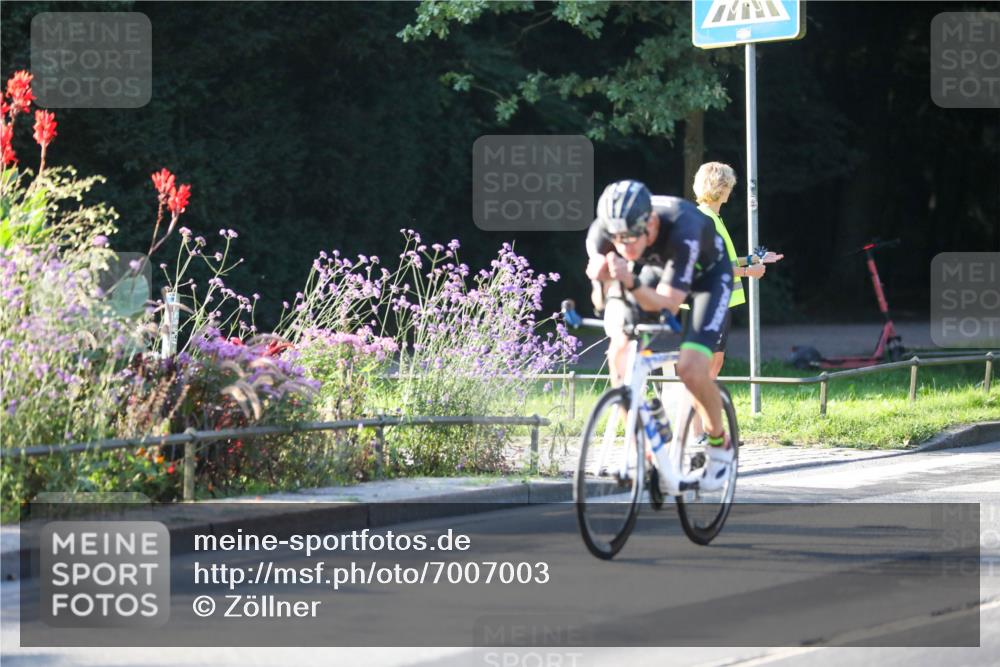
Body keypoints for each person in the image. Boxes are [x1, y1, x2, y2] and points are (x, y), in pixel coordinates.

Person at [585, 179, 734, 491]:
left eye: (631, 237)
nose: (625, 246)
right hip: (660, 269)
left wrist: (630, 283)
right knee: (619, 353)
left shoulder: (684, 228)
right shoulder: (605, 230)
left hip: (708, 278)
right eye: (618, 239)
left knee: (691, 369)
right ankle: (643, 447)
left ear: (650, 224)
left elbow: (668, 304)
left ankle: (719, 444)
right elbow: (600, 301)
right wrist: (602, 282)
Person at [692, 162, 784, 381]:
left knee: (715, 364)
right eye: (729, 185)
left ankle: (699, 404)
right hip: (710, 302)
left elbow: (725, 260)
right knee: (708, 365)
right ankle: (683, 400)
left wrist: (754, 259)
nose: (731, 190)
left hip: (717, 301)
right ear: (720, 187)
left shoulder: (713, 217)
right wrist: (748, 273)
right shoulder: (705, 219)